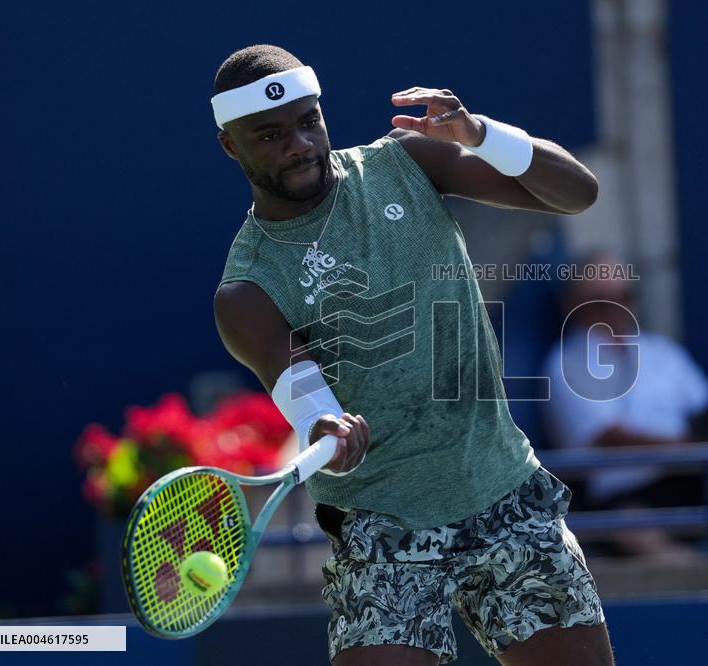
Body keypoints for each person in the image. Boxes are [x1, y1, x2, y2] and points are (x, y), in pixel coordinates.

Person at [210, 45, 612, 666]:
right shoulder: (246, 289)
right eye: (270, 135)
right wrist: (327, 427)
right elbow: (304, 394)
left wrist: (481, 135)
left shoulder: (408, 161)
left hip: (503, 491)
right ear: (231, 146)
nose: (299, 145)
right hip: (380, 529)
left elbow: (577, 192)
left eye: (308, 122)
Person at [542, 254, 708, 557]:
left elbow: (705, 408)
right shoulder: (565, 364)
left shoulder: (662, 352)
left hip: (691, 471)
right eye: (599, 302)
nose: (615, 310)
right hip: (622, 491)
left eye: (624, 297)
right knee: (629, 525)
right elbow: (604, 435)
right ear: (571, 305)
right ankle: (697, 573)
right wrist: (683, 447)